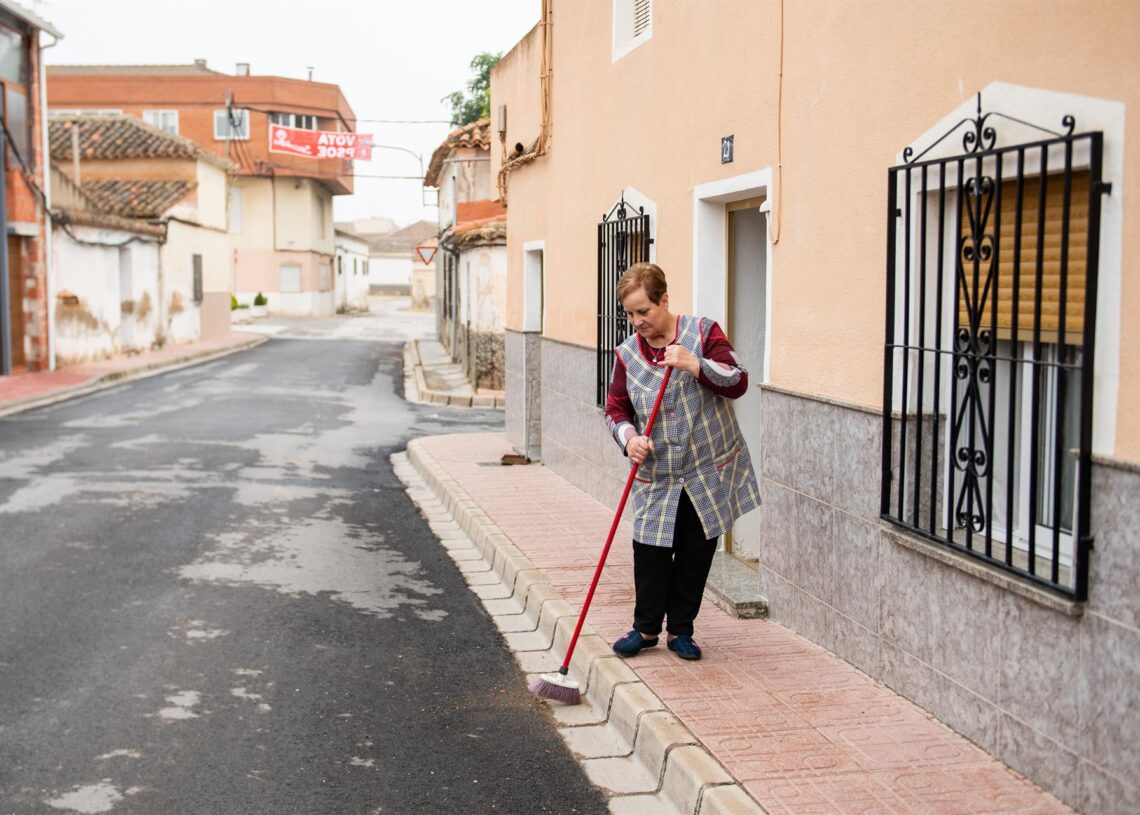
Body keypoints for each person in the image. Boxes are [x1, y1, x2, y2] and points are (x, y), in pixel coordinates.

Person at [604, 262, 760, 661]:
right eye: (630, 313)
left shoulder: (704, 333)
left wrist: (694, 364)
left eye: (644, 311)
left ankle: (681, 631)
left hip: (708, 467)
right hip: (658, 473)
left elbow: (738, 381)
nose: (637, 321)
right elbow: (616, 410)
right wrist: (630, 439)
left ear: (664, 300)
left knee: (695, 550)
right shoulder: (626, 356)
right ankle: (646, 629)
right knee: (650, 550)